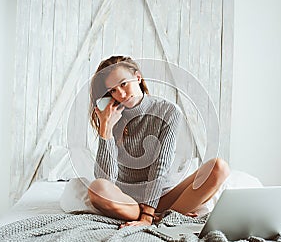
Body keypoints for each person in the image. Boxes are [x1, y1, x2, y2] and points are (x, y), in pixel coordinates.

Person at [88, 56, 230, 228]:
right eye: (113, 91)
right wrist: (106, 130)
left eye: (124, 83)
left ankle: (158, 215)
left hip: (163, 196)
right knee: (96, 188)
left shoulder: (168, 111)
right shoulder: (113, 117)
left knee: (218, 167)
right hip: (127, 202)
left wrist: (147, 216)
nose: (121, 94)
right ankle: (157, 216)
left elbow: (160, 166)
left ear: (138, 77)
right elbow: (106, 179)